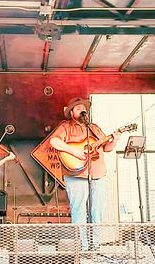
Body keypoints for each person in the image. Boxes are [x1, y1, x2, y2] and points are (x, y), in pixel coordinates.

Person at [49, 97, 121, 247]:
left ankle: (95, 244)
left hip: (98, 174)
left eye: (83, 107)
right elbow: (53, 141)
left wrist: (115, 139)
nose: (82, 110)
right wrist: (73, 151)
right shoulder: (66, 126)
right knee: (79, 211)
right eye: (77, 108)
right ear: (71, 113)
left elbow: (107, 148)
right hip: (76, 175)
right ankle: (82, 245)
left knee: (98, 211)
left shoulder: (94, 128)